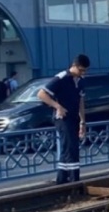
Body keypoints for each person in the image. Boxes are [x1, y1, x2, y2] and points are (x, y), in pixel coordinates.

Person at [38, 54, 90, 184]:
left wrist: (82, 120)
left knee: (70, 147)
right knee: (70, 148)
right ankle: (73, 180)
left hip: (73, 117)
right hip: (62, 118)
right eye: (81, 70)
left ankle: (63, 179)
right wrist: (57, 106)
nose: (83, 73)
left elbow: (81, 102)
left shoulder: (80, 81)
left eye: (85, 71)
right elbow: (41, 94)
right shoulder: (61, 78)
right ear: (74, 66)